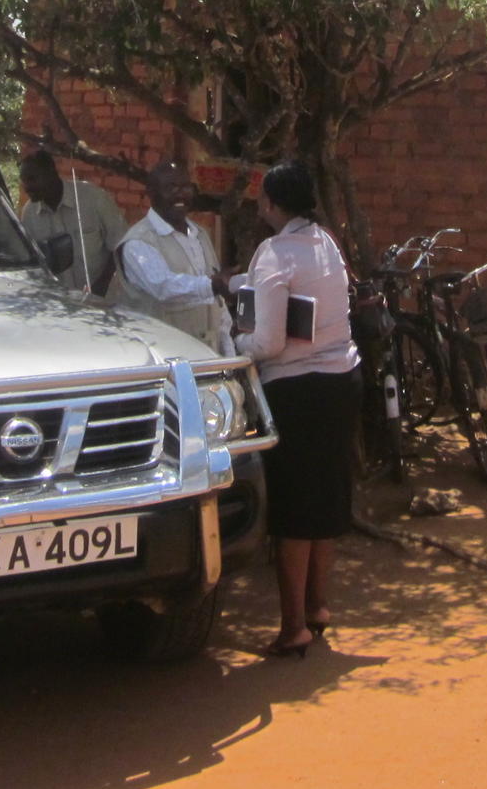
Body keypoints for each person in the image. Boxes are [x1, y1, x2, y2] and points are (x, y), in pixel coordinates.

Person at [232, 159, 360, 657]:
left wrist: (235, 342)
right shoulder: (325, 242)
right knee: (326, 498)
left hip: (296, 391)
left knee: (291, 511)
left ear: (270, 203)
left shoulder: (274, 253)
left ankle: (292, 627)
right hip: (341, 381)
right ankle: (318, 606)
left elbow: (266, 341)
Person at [115, 159, 234, 352]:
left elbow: (218, 306)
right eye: (171, 187)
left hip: (207, 357)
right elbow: (163, 287)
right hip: (163, 358)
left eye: (186, 187)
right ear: (151, 193)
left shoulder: (200, 234)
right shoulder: (139, 242)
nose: (180, 193)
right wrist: (212, 285)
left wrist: (228, 352)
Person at [18, 153, 127, 299]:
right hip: (60, 305)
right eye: (24, 181)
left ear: (51, 171)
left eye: (32, 179)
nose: (27, 187)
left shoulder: (94, 199)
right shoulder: (29, 214)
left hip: (103, 300)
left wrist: (101, 286)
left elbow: (121, 247)